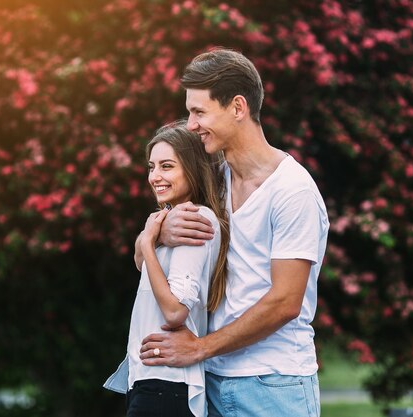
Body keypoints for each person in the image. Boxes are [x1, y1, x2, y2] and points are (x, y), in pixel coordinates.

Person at [136, 48, 329, 417]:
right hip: (210, 381)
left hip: (273, 386)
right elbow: (145, 259)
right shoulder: (213, 183)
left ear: (237, 108)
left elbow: (286, 301)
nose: (191, 125)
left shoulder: (292, 191)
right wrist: (157, 232)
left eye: (199, 112)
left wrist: (199, 348)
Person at [104, 120, 230, 417]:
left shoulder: (193, 219)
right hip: (153, 381)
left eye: (167, 166)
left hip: (166, 385)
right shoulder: (171, 217)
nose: (155, 177)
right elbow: (139, 263)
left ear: (192, 168)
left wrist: (149, 242)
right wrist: (152, 236)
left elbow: (175, 312)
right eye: (152, 167)